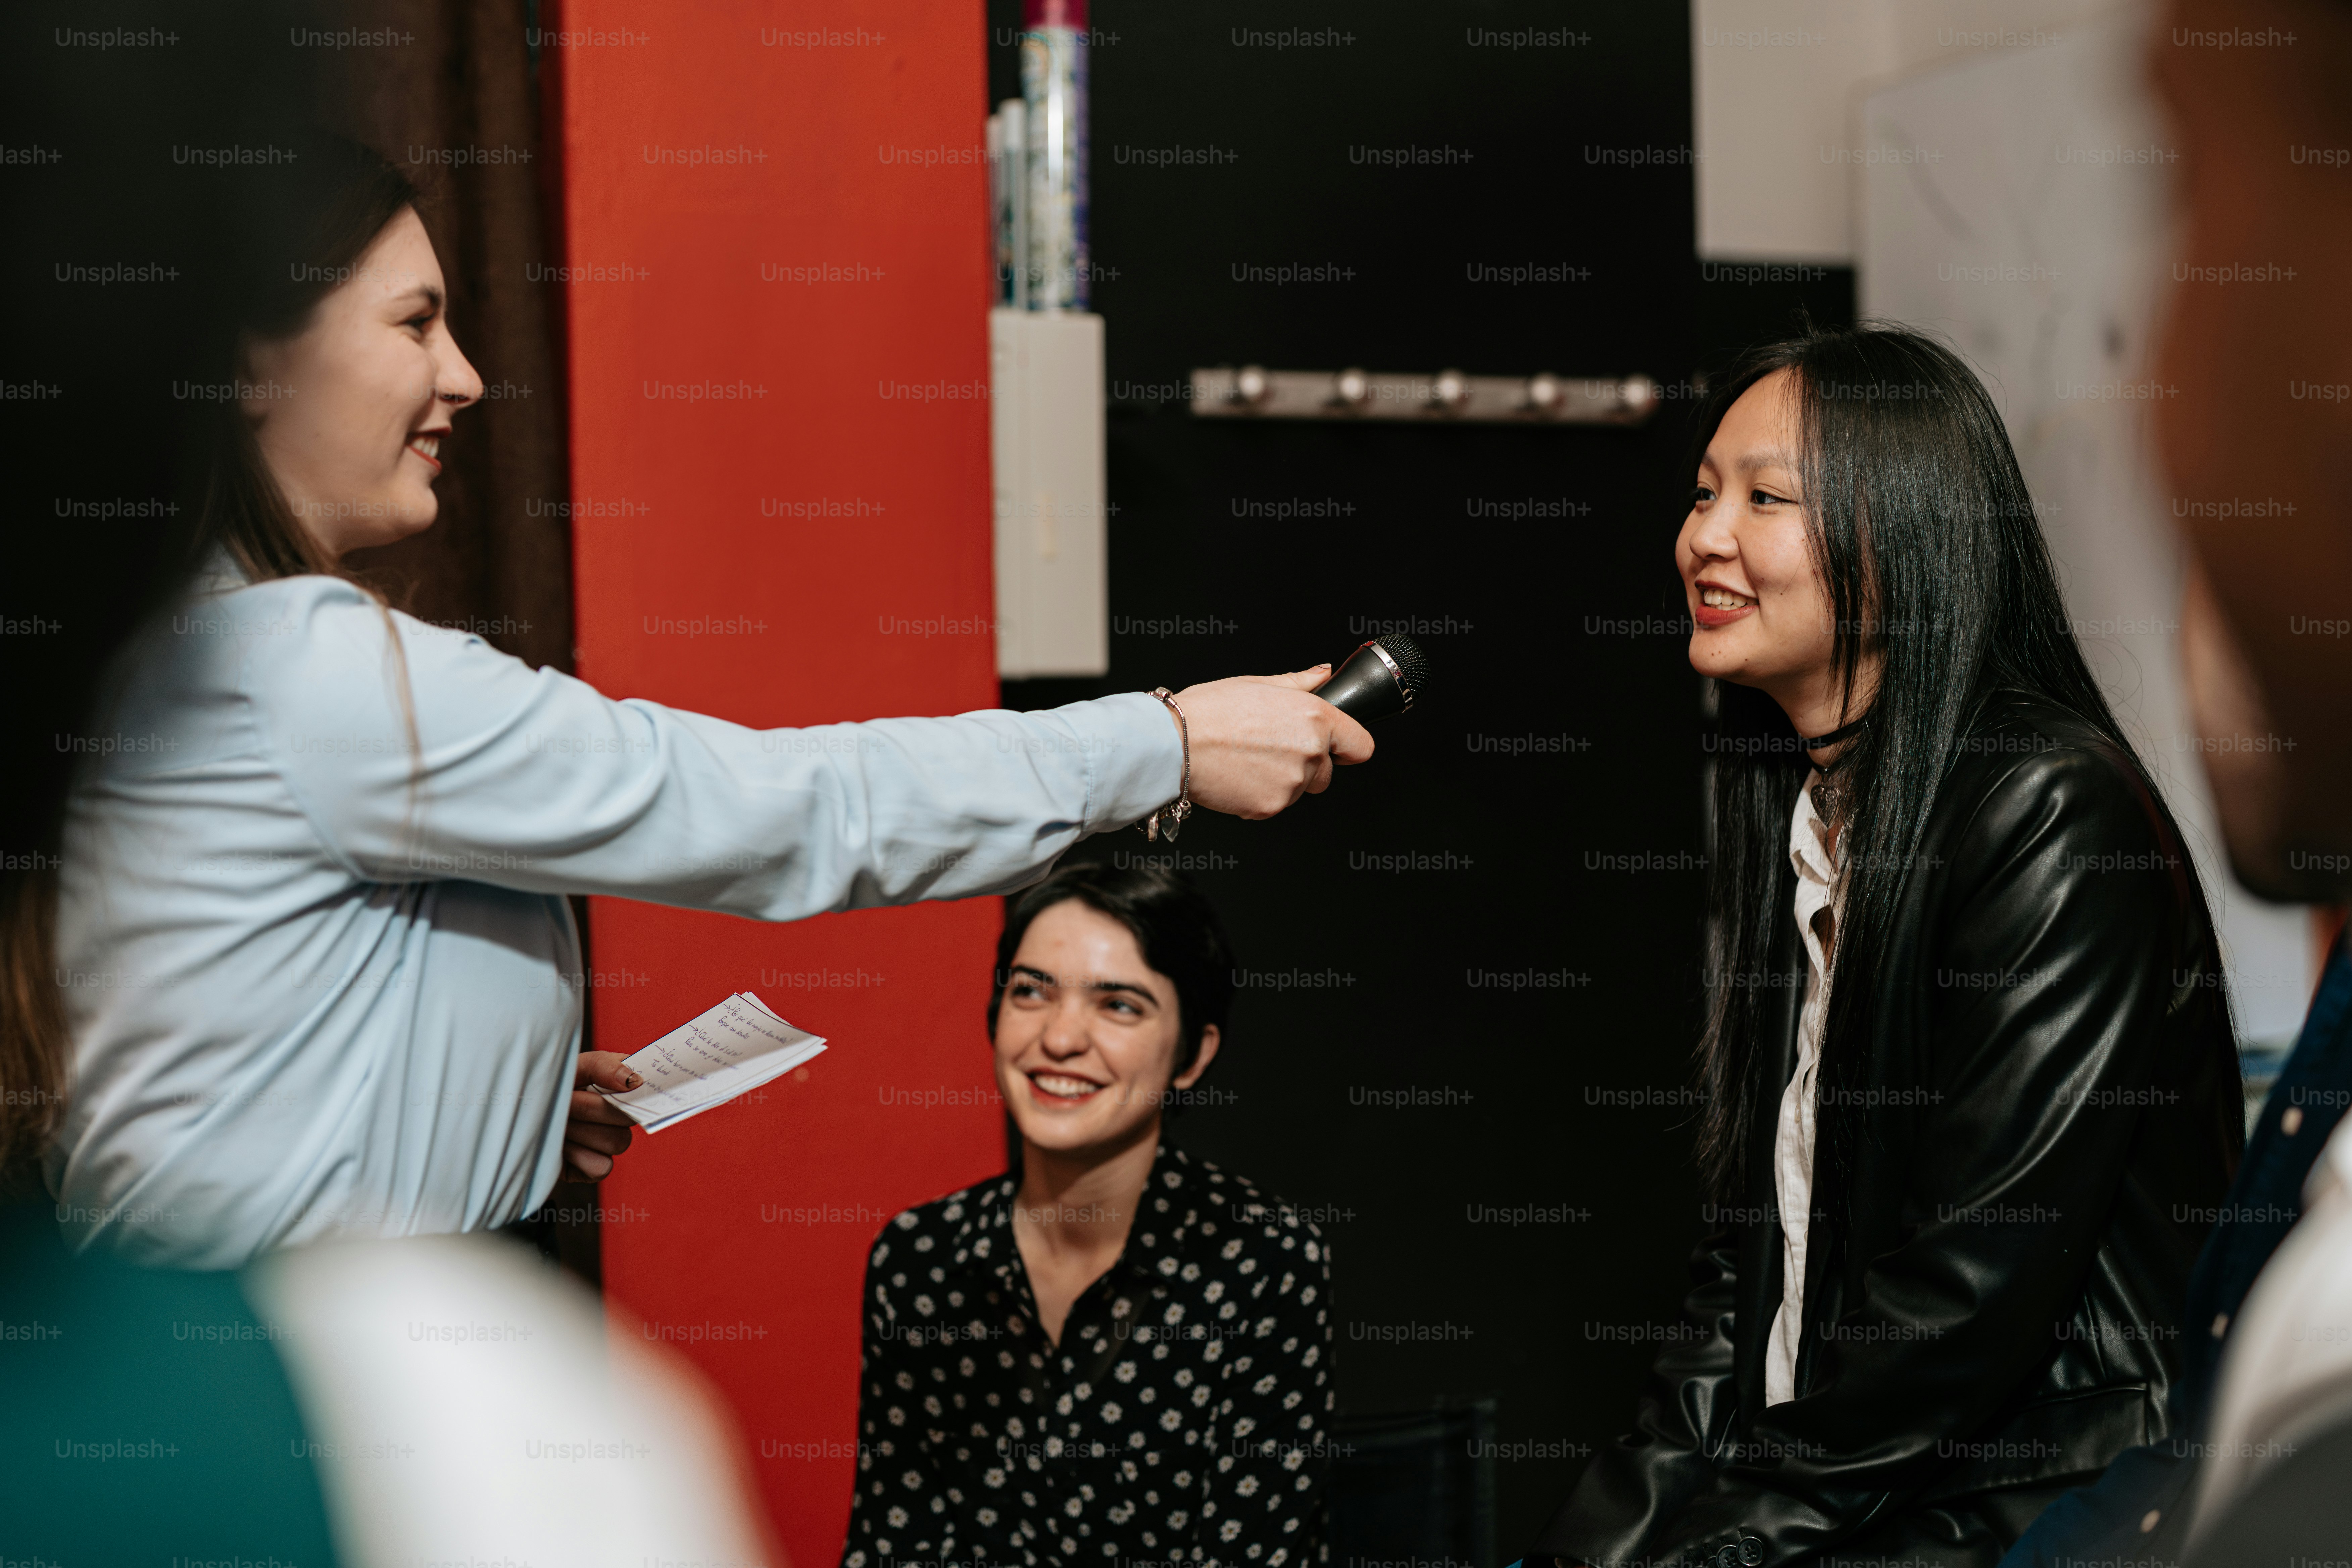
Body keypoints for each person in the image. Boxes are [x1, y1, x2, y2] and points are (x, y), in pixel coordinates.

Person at [15, 137, 1374, 1269]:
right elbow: (780, 809)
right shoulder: (298, 664)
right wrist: (1169, 738)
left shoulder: (179, 649)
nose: (467, 378)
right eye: (416, 322)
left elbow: (252, 1024)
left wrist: (499, 1091)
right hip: (300, 1391)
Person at [1528, 325, 2242, 1568]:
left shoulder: (2043, 807)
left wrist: (1722, 1549)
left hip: (2045, 1508)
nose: (1702, 535)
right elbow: (1739, 1278)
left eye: (1764, 497)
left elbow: (1967, 1298)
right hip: (1862, 1500)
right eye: (1701, 492)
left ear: (1900, 530)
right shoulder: (1798, 808)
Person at [841, 862, 1333, 1568]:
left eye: (1120, 1005)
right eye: (1032, 992)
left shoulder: (1263, 1256)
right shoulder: (923, 1256)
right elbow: (894, 1543)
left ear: (1194, 1054)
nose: (1061, 1038)